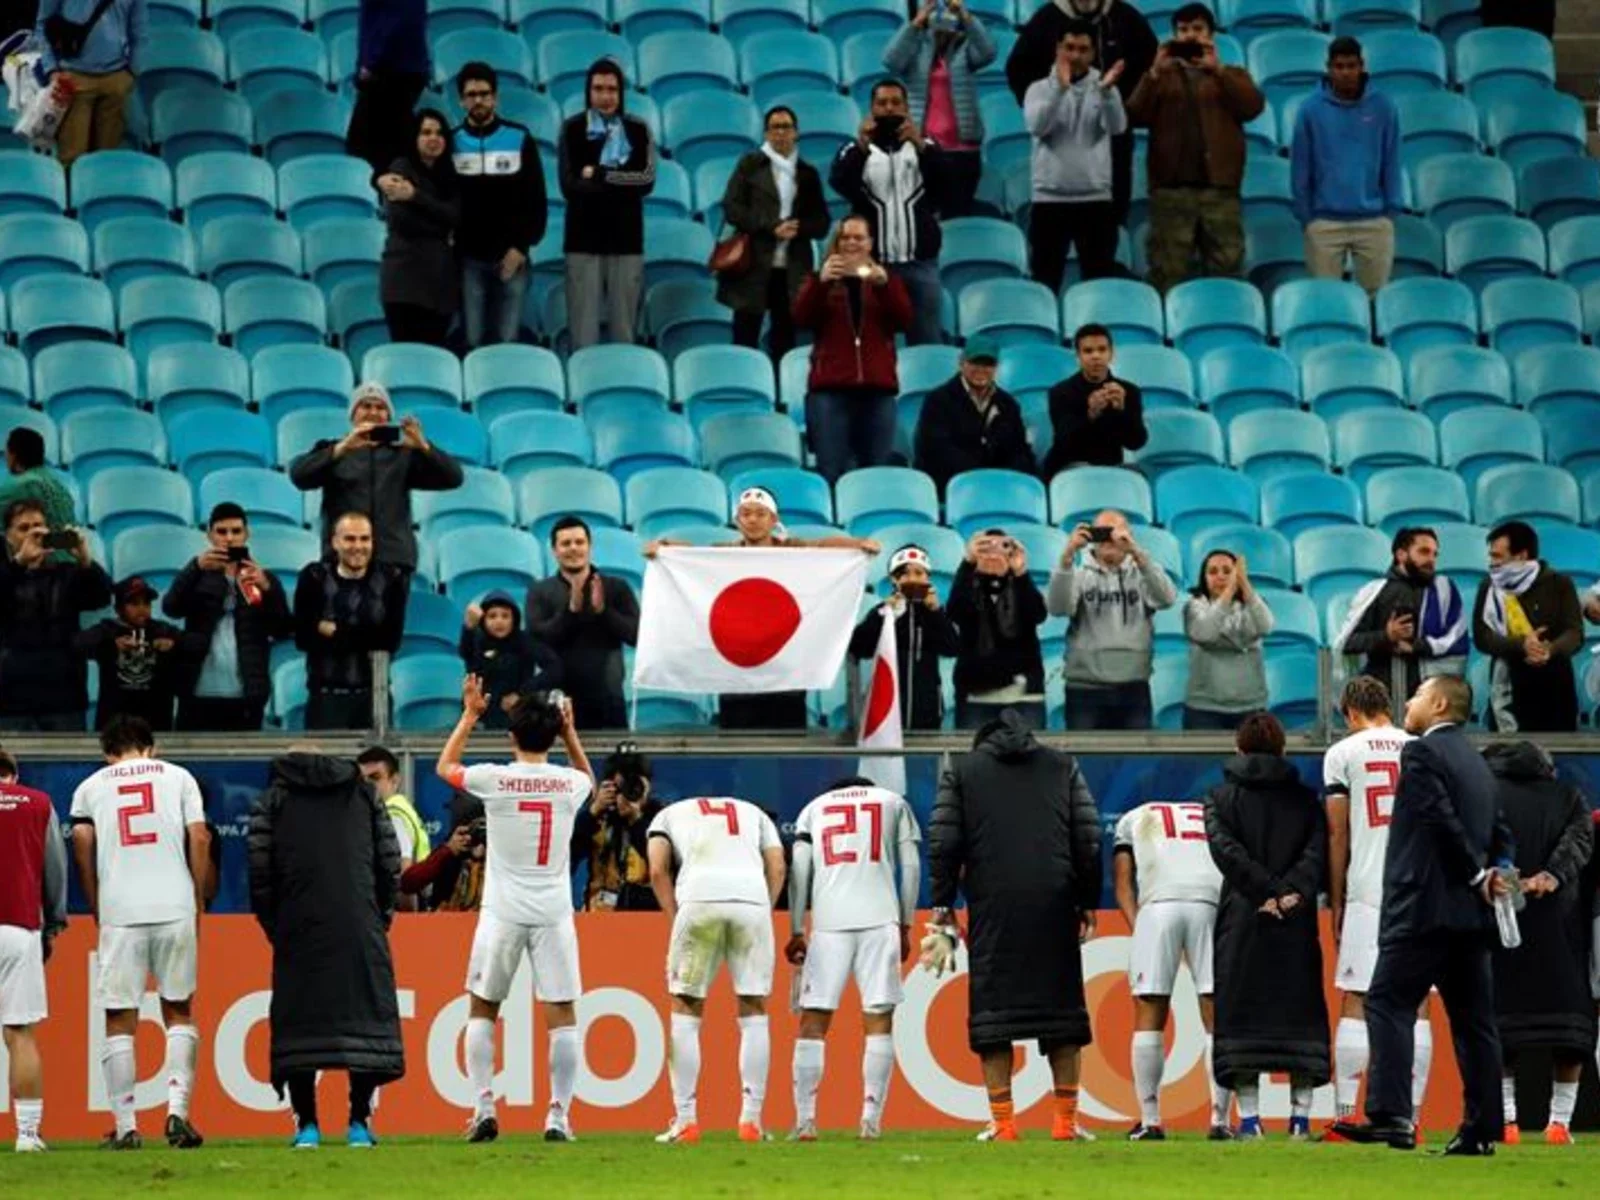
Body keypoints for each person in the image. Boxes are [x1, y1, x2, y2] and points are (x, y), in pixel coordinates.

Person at [1330, 675, 1512, 1156]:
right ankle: (1481, 1129)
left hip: (1423, 907)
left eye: (1416, 695)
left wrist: (1475, 874)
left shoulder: (1422, 753)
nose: (1407, 702)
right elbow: (1499, 829)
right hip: (1471, 917)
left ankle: (1392, 1116)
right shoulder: (1476, 759)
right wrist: (1499, 874)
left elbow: (1436, 816)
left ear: (1438, 703)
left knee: (1387, 1001)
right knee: (1475, 1021)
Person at [925, 710, 1102, 1142]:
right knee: (1061, 1015)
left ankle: (1003, 1124)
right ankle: (1065, 1123)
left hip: (993, 904)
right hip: (1055, 901)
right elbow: (1089, 835)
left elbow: (944, 840)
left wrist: (942, 904)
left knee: (992, 1016)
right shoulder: (1062, 764)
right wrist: (1086, 899)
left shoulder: (962, 770)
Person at [437, 679, 595, 1144]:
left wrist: (468, 715)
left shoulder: (494, 778)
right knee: (562, 1014)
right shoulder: (570, 783)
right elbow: (590, 779)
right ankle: (558, 1116)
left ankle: (484, 1105)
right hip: (552, 911)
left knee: (483, 1008)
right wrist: (571, 737)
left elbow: (446, 765)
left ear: (511, 738)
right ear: (552, 736)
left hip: (502, 910)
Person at [248, 747, 404, 1149]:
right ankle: (358, 1124)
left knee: (299, 1028)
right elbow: (389, 862)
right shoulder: (364, 794)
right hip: (358, 921)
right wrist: (378, 914)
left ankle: (307, 1127)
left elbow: (259, 869)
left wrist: (275, 925)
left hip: (299, 926)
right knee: (365, 1023)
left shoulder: (274, 799)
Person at [69, 716, 210, 1150]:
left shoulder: (91, 787)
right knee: (179, 1010)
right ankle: (177, 1114)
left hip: (120, 910)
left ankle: (127, 1126)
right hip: (174, 904)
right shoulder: (179, 777)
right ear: (152, 747)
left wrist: (97, 902)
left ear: (108, 752)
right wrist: (197, 899)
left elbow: (81, 842)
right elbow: (201, 837)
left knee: (119, 1017)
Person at [644, 488, 877, 730]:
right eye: (746, 514)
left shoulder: (792, 550)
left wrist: (859, 544)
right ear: (737, 521)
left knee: (787, 752)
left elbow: (823, 546)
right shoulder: (724, 554)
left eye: (760, 514)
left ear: (773, 519)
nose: (752, 520)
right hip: (736, 676)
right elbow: (688, 555)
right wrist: (663, 547)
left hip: (786, 674)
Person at [1204, 712, 1330, 1140]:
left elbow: (1226, 852)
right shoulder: (1307, 800)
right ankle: (1300, 1121)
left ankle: (1251, 1122)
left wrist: (1265, 893)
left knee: (1242, 1018)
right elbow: (1318, 852)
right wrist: (1289, 892)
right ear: (1283, 750)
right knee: (1300, 1016)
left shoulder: (1218, 798)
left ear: (1238, 748)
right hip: (1295, 919)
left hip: (1243, 919)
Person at [1323, 676, 1433, 1137]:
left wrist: (1336, 898)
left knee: (1356, 996)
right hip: (1420, 889)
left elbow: (1337, 831)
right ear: (1387, 707)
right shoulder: (1421, 747)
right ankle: (1412, 1117)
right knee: (1419, 1001)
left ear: (1350, 712)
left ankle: (1346, 1114)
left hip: (1368, 886)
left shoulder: (1343, 753)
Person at [787, 776, 922, 1141]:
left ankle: (805, 1121)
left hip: (829, 923)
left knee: (813, 1022)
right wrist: (907, 923)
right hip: (880, 919)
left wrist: (797, 927)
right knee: (878, 1021)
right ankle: (870, 1120)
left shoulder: (812, 808)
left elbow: (799, 872)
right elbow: (910, 867)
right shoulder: (892, 801)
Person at [647, 794, 787, 1144]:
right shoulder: (755, 812)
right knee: (754, 1007)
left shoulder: (666, 816)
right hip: (752, 901)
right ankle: (751, 1121)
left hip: (699, 900)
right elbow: (778, 866)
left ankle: (686, 1120)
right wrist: (761, 910)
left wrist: (674, 917)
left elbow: (656, 870)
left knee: (686, 1007)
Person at [1482, 740, 1594, 1147]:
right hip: (1559, 925)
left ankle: (1507, 1121)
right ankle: (1559, 1124)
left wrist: (1509, 884)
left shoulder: (1488, 795)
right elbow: (1580, 842)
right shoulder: (1569, 797)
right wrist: (1551, 876)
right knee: (1569, 1030)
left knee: (1501, 1027)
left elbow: (1479, 848)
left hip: (1500, 921)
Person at [1112, 796, 1231, 1140]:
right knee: (1215, 1012)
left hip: (1159, 906)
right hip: (1210, 904)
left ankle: (1150, 1121)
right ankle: (1220, 1122)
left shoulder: (1133, 816)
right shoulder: (1214, 814)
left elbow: (1123, 884)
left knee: (1150, 1010)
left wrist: (1142, 930)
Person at [1125, 4, 1264, 294]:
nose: (1190, 36)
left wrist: (1219, 71)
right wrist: (1152, 74)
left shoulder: (1232, 74)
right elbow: (1134, 115)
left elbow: (1252, 107)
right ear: (1174, 35)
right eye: (1184, 30)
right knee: (1168, 270)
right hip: (1171, 191)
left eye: (1198, 29)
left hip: (1220, 190)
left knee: (1227, 267)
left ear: (1212, 35)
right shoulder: (1159, 77)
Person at [1006, 0, 1158, 225]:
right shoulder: (1047, 18)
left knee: (1109, 228)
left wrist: (1120, 103)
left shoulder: (1125, 18)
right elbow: (1019, 69)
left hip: (1113, 140)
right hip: (1058, 144)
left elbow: (1149, 65)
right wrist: (1046, 99)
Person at [289, 383, 464, 575]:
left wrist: (423, 446)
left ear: (388, 416)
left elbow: (454, 477)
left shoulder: (403, 455)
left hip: (393, 560)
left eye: (381, 408)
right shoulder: (333, 450)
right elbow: (299, 476)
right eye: (366, 406)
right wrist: (342, 447)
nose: (373, 412)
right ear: (352, 414)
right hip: (342, 559)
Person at [793, 215, 912, 483]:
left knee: (875, 474)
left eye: (858, 238)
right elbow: (801, 319)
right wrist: (820, 284)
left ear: (870, 243)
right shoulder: (818, 279)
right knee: (831, 471)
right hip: (830, 391)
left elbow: (904, 320)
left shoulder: (886, 281)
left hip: (877, 392)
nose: (851, 243)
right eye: (845, 237)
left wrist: (885, 287)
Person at [829, 81, 945, 346]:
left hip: (921, 263)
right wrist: (861, 147)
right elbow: (841, 183)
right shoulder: (854, 149)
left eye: (895, 102)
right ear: (871, 109)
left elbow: (948, 185)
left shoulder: (926, 146)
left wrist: (920, 146)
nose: (889, 108)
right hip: (872, 264)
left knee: (927, 340)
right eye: (882, 103)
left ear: (906, 107)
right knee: (874, 341)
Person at [163, 502, 293, 733]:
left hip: (246, 693)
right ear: (210, 535)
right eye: (222, 532)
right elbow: (171, 608)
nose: (229, 538)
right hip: (197, 691)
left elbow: (282, 628)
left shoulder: (263, 578)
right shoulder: (197, 574)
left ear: (247, 534)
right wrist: (194, 567)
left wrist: (267, 588)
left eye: (236, 531)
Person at [717, 105, 831, 365]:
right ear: (766, 133)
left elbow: (822, 222)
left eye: (786, 127)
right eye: (775, 127)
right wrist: (771, 225)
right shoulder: (749, 165)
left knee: (785, 339)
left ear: (796, 133)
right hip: (753, 265)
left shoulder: (808, 174)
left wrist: (799, 228)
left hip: (790, 268)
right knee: (745, 336)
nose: (781, 133)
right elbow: (732, 208)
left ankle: (781, 395)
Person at [1290, 37, 1403, 296]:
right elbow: (1300, 167)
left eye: (1351, 66)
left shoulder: (1384, 107)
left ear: (1362, 66)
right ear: (1329, 68)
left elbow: (1392, 160)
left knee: (1376, 300)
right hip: (1324, 222)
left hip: (1374, 220)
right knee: (1327, 301)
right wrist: (1307, 216)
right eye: (1339, 66)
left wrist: (1390, 211)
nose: (1345, 73)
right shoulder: (1309, 110)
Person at [1047, 509, 1177, 730]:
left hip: (1133, 685)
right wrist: (1067, 556)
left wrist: (1137, 553)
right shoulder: (1078, 574)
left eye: (1115, 532)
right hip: (1084, 688)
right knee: (1085, 759)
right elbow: (1058, 608)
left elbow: (1166, 599)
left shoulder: (1142, 573)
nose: (1109, 540)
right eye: (1102, 532)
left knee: (1135, 761)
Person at [559, 58, 656, 350]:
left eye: (612, 89)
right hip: (582, 240)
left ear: (621, 92)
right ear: (589, 92)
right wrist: (620, 185)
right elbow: (569, 186)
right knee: (583, 335)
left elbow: (646, 180)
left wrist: (601, 174)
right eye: (599, 89)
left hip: (626, 242)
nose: (606, 96)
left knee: (624, 334)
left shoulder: (638, 129)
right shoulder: (572, 128)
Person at [1023, 21, 1128, 292]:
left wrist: (1106, 94)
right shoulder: (1038, 89)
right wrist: (1060, 88)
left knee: (1098, 284)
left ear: (1093, 54)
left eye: (1083, 49)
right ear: (1058, 49)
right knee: (1045, 282)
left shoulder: (1106, 87)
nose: (1075, 56)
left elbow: (1118, 128)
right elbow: (1038, 126)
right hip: (1049, 200)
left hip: (1095, 200)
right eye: (1069, 48)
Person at [0, 749, 67, 1154]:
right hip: (18, 927)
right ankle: (27, 1135)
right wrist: (54, 922)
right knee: (20, 1033)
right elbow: (54, 869)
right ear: (13, 774)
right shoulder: (38, 803)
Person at [452, 63, 546, 349]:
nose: (478, 100)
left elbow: (536, 201)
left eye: (484, 93)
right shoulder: (451, 141)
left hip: (512, 259)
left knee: (507, 342)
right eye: (471, 94)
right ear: (461, 100)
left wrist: (520, 248)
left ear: (495, 97)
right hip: (469, 260)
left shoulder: (519, 138)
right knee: (473, 340)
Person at [0, 499, 112, 731]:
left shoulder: (66, 573)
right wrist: (19, 563)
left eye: (38, 526)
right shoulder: (5, 573)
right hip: (10, 696)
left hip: (63, 694)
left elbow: (101, 597)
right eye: (23, 528)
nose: (33, 533)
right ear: (7, 536)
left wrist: (84, 559)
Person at [293, 512, 408, 730]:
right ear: (335, 542)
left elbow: (390, 641)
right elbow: (304, 637)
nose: (358, 546)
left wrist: (333, 630)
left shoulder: (391, 578)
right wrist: (368, 635)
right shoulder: (314, 577)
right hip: (325, 698)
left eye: (365, 539)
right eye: (350, 539)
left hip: (375, 696)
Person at [884, 0, 997, 217]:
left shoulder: (965, 50)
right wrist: (916, 22)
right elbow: (891, 61)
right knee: (923, 217)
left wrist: (964, 14)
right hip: (923, 149)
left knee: (958, 216)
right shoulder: (915, 47)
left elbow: (989, 52)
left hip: (963, 152)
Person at [525, 516, 640, 730]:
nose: (573, 548)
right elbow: (537, 639)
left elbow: (636, 636)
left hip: (608, 700)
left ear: (590, 546)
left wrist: (603, 612)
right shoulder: (539, 591)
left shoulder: (616, 587)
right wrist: (571, 612)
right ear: (554, 550)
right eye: (565, 543)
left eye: (579, 542)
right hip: (555, 701)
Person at [1473, 521, 1583, 734]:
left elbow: (1574, 633)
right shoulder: (1488, 586)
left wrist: (1548, 650)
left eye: (1497, 556)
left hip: (1555, 687)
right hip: (1507, 685)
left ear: (1521, 556)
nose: (1491, 563)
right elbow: (1482, 636)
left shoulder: (1560, 583)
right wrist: (1522, 644)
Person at [1335, 526, 1467, 704]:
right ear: (1401, 554)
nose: (1431, 560)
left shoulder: (1443, 591)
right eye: (1424, 552)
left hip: (1430, 699)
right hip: (1380, 696)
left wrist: (1416, 646)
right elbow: (1348, 643)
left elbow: (1457, 636)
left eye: (1435, 554)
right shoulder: (1375, 591)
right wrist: (1386, 636)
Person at [849, 544, 960, 731]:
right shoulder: (882, 611)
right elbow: (859, 648)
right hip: (887, 706)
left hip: (927, 709)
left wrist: (934, 612)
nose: (912, 579)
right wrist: (882, 615)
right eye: (905, 574)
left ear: (928, 578)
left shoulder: (935, 612)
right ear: (894, 580)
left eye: (919, 573)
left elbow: (952, 648)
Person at [946, 529, 1048, 729]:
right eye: (986, 547)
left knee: (1029, 759)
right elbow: (955, 611)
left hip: (1024, 697)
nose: (993, 553)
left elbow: (1037, 614)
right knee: (975, 758)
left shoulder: (1020, 584)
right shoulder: (968, 586)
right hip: (976, 696)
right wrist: (967, 564)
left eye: (1002, 546)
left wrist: (1021, 573)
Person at [377, 108, 460, 347]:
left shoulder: (451, 174)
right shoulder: (401, 167)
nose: (433, 138)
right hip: (404, 281)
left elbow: (456, 216)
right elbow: (401, 220)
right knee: (406, 355)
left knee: (433, 356)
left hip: (440, 283)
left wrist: (414, 196)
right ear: (415, 137)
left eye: (439, 133)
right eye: (426, 132)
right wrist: (440, 223)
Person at [911, 335, 1035, 494]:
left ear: (996, 367)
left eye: (988, 364)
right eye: (975, 362)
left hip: (1000, 487)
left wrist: (1006, 477)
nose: (981, 369)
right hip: (951, 488)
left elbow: (1019, 449)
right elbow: (936, 450)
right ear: (961, 363)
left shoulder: (1008, 404)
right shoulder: (938, 401)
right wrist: (981, 476)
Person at [31, 0, 146, 168]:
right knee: (72, 159)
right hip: (73, 79)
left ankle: (103, 193)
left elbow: (139, 34)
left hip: (116, 80)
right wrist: (52, 70)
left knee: (108, 159)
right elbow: (42, 27)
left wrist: (131, 73)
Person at [74, 575, 189, 732]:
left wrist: (174, 645)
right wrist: (112, 646)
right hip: (114, 723)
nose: (142, 609)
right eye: (134, 603)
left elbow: (195, 645)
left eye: (146, 603)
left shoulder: (162, 630)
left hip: (156, 723)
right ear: (118, 608)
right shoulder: (107, 629)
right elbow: (77, 644)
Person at [1039, 324, 1147, 476]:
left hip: (1110, 465)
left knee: (1138, 475)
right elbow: (1063, 442)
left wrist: (1122, 411)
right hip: (1068, 466)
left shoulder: (1129, 391)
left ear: (1111, 354)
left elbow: (1136, 442)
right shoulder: (1060, 392)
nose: (1096, 356)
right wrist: (1091, 414)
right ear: (1078, 356)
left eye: (1102, 350)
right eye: (1088, 351)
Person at [1183, 549, 1272, 731]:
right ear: (1204, 577)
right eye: (1213, 572)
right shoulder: (1194, 606)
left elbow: (1266, 626)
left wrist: (1244, 585)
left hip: (1251, 706)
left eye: (1227, 571)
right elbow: (1205, 633)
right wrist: (1229, 592)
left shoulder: (1254, 604)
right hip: (1204, 709)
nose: (1220, 577)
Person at [570, 745, 663, 912]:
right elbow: (566, 862)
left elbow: (663, 865)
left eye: (635, 784)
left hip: (647, 919)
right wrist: (591, 814)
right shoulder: (597, 818)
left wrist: (636, 820)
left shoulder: (662, 818)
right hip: (598, 916)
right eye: (621, 787)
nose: (629, 792)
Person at [345, 0, 428, 179]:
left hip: (391, 69)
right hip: (401, 67)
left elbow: (398, 20)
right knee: (391, 147)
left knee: (366, 148)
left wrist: (371, 63)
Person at [458, 592, 562, 731]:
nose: (499, 621)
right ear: (484, 620)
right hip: (481, 718)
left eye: (505, 616)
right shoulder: (477, 640)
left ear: (514, 619)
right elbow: (466, 653)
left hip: (518, 717)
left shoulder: (524, 641)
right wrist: (468, 628)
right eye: (492, 616)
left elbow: (555, 668)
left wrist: (521, 694)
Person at [356, 746, 428, 914]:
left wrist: (404, 921)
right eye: (362, 779)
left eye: (375, 778)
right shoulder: (400, 808)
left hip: (398, 915)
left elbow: (403, 874)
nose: (367, 785)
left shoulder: (393, 815)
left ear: (395, 780)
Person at [0, 427, 74, 537]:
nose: (5, 457)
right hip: (72, 553)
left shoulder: (16, 486)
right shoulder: (60, 486)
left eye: (6, 452)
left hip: (41, 553)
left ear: (13, 456)